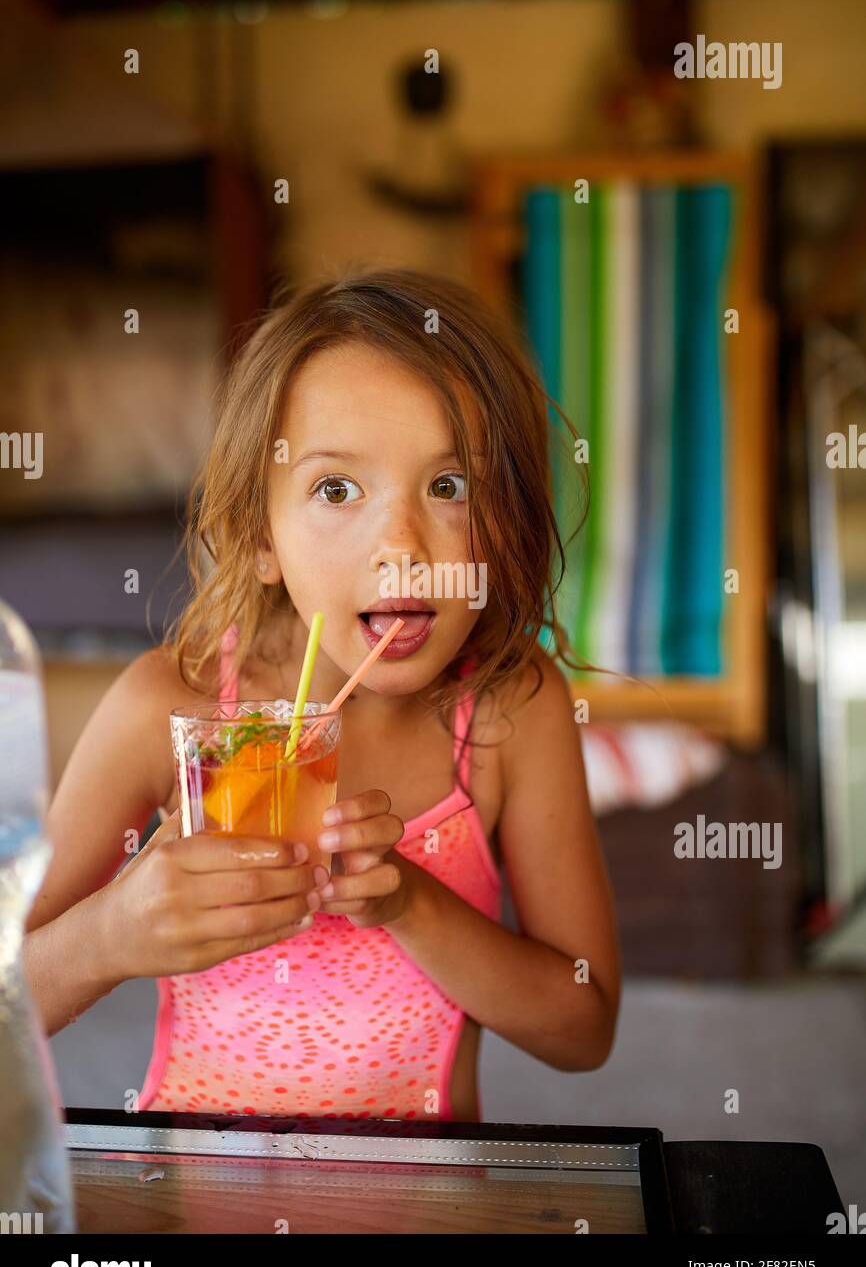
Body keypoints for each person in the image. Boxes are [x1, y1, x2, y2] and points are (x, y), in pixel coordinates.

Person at [25, 268, 621, 1122]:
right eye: (336, 489)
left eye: (450, 487)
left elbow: (584, 1025)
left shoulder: (509, 709)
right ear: (260, 536)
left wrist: (410, 904)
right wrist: (107, 937)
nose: (402, 547)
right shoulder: (171, 704)